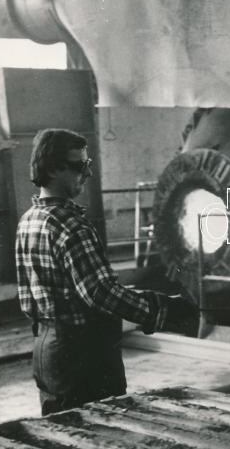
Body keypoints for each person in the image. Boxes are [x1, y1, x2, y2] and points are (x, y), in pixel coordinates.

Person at [15, 128, 198, 416]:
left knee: (61, 432)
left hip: (47, 352)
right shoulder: (71, 225)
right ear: (52, 169)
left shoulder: (28, 220)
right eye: (79, 166)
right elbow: (100, 293)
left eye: (87, 164)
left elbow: (31, 297)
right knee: (102, 428)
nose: (87, 173)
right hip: (83, 357)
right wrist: (161, 309)